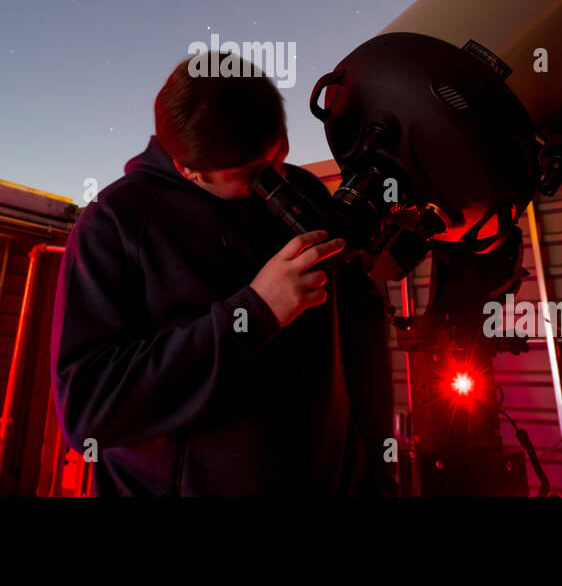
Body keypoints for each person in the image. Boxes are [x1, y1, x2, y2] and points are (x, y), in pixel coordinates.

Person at [50, 56, 398, 495]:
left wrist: (379, 477)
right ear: (189, 169)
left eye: (280, 153)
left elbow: (360, 338)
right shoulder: (115, 224)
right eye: (252, 176)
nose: (278, 182)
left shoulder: (305, 193)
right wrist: (255, 313)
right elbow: (88, 411)